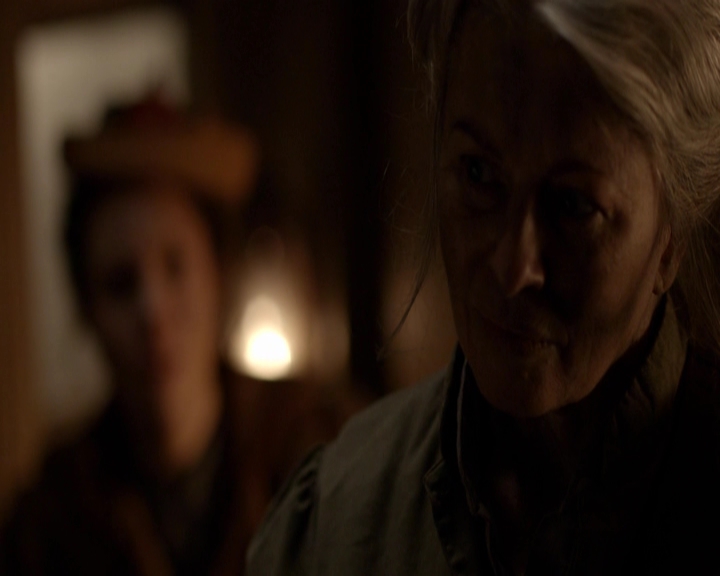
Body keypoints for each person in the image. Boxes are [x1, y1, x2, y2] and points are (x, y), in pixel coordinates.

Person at [246, 0, 720, 574]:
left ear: (671, 234)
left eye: (573, 206)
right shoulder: (340, 519)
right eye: (478, 174)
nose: (512, 267)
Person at [0, 97, 345, 575]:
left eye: (175, 267)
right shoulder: (52, 519)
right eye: (121, 284)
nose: (152, 312)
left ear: (217, 277)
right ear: (88, 311)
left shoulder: (322, 452)